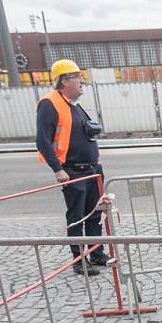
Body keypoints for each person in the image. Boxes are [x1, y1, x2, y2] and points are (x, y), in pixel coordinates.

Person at [36, 59, 109, 276]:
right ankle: (79, 260)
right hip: (73, 171)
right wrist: (57, 168)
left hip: (92, 170)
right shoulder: (50, 104)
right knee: (77, 218)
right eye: (78, 77)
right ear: (65, 80)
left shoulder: (74, 105)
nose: (82, 81)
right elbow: (43, 141)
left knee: (95, 214)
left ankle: (96, 252)